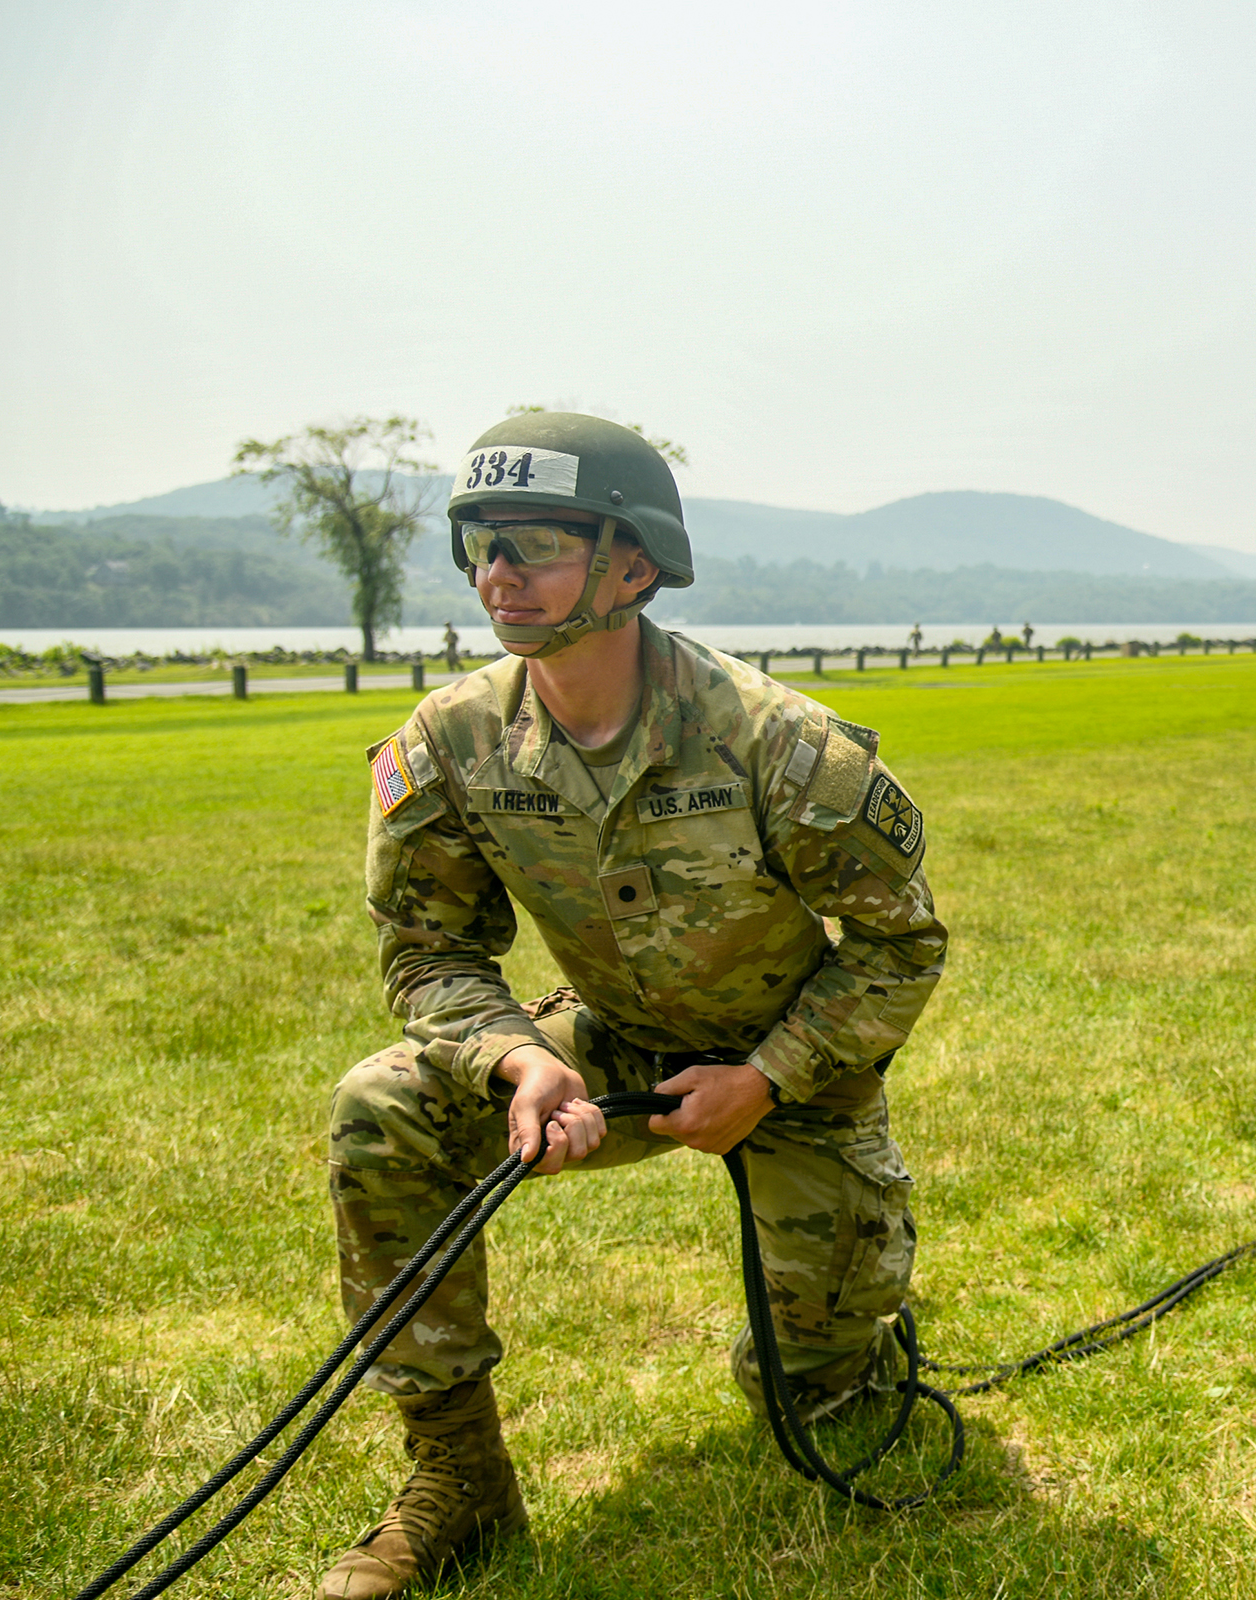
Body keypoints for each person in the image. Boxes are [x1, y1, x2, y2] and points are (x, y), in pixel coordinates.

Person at [324, 413, 944, 1598]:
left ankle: (852, 1346)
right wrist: (516, 1060)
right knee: (380, 1108)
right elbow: (427, 945)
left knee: (817, 1404)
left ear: (634, 565)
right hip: (610, 1042)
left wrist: (766, 1078)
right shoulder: (451, 740)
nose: (496, 575)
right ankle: (458, 1482)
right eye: (479, 547)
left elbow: (899, 946)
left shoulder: (778, 745)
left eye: (533, 546)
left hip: (790, 1072)